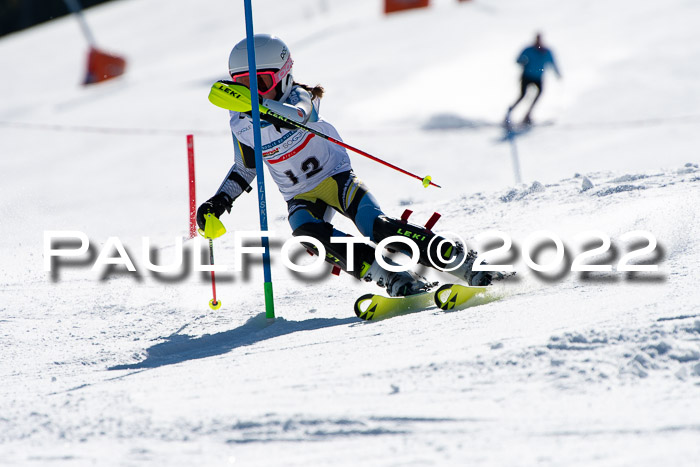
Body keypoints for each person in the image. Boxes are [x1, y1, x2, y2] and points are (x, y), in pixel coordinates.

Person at [197, 34, 499, 297]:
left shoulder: (296, 95)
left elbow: (303, 115)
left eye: (260, 83)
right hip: (299, 196)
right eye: (242, 85)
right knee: (307, 235)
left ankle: (462, 261)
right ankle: (392, 275)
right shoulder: (241, 122)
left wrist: (259, 105)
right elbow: (245, 168)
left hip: (337, 179)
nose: (251, 93)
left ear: (284, 76)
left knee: (378, 228)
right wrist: (219, 201)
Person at [506, 33, 560, 125]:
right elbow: (518, 60)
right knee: (523, 95)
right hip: (527, 76)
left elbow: (552, 63)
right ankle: (510, 111)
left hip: (538, 78)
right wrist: (523, 61)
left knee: (538, 94)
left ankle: (528, 115)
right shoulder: (528, 50)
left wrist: (557, 74)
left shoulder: (546, 51)